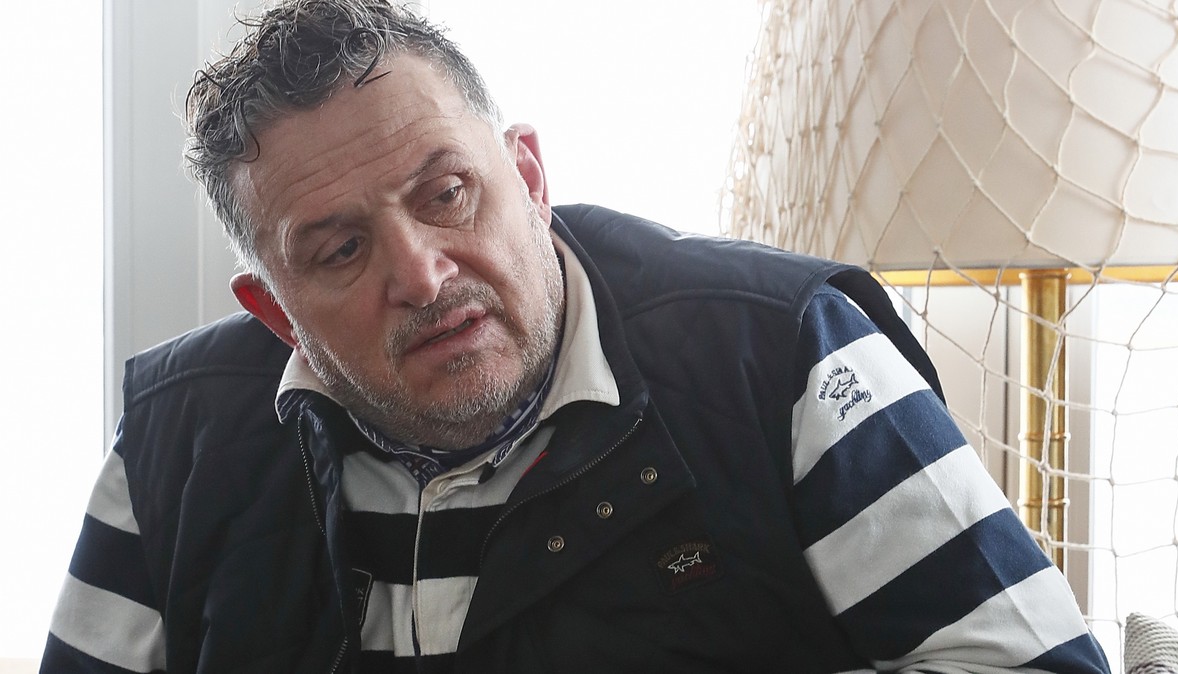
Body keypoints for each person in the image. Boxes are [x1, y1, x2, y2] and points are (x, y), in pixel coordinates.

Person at [42, 1, 1112, 672]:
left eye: (448, 193)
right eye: (340, 250)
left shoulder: (784, 354)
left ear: (530, 176)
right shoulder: (174, 441)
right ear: (277, 313)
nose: (422, 273)